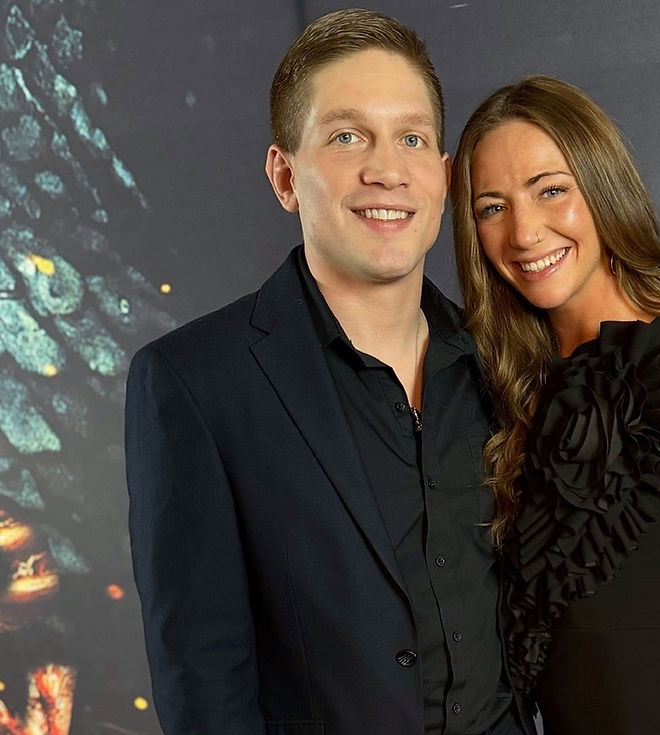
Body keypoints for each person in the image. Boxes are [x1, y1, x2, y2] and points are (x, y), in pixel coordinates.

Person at [125, 10, 530, 735]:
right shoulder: (194, 384)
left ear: (441, 177)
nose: (386, 168)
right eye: (347, 137)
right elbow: (205, 691)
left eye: (411, 137)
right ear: (285, 176)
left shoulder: (505, 362)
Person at [450, 76, 660, 735]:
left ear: (601, 186)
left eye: (551, 189)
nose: (524, 231)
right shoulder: (502, 380)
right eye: (491, 206)